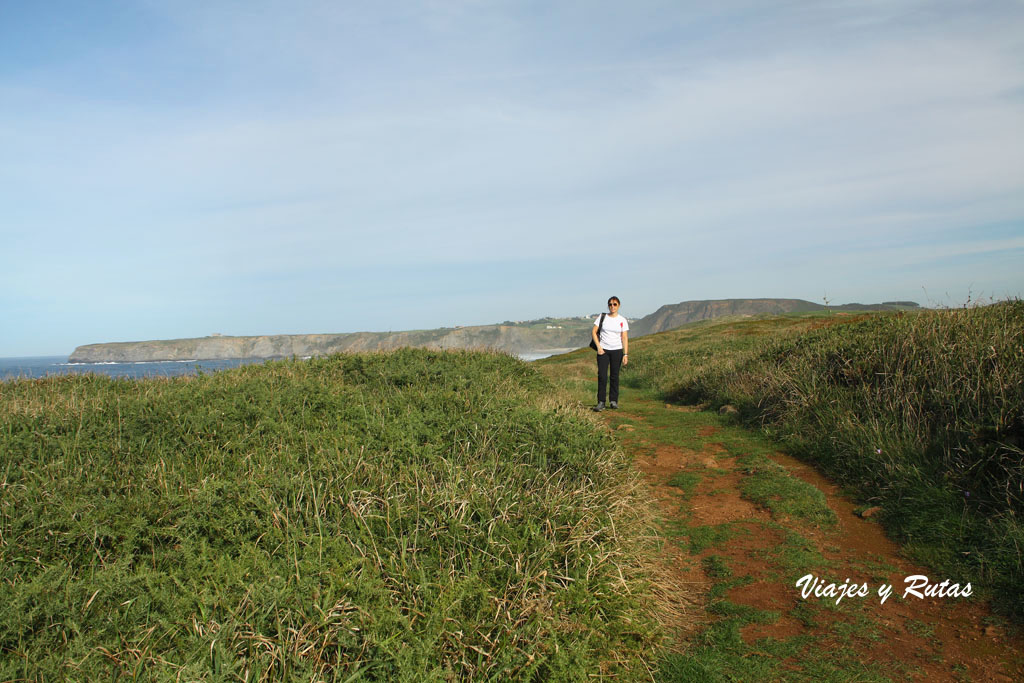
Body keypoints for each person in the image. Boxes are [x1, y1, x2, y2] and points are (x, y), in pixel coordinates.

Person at [592, 296, 629, 411]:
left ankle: (613, 401)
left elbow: (624, 337)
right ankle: (601, 402)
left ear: (619, 305)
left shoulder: (622, 320)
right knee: (602, 376)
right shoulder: (602, 317)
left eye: (615, 304)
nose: (612, 306)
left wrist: (625, 354)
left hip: (617, 351)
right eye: (610, 304)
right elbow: (593, 332)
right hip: (603, 351)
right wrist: (599, 347)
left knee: (614, 376)